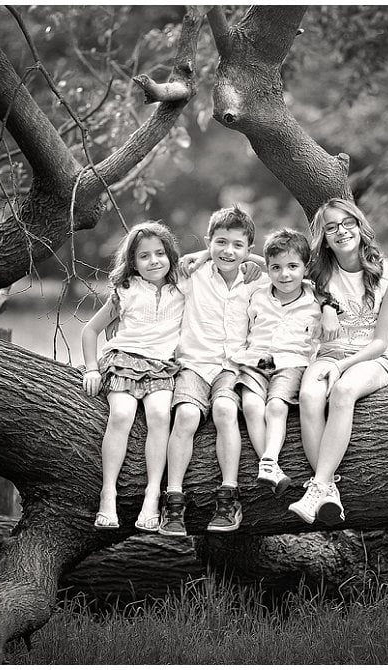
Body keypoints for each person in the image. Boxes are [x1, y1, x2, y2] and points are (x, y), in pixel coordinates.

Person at [289, 198, 388, 525]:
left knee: (342, 392)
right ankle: (328, 492)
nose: (341, 231)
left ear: (359, 225)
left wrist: (342, 366)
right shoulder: (316, 272)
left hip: (373, 358)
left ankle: (319, 485)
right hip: (329, 355)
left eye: (347, 223)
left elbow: (381, 341)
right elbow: (269, 262)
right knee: (309, 396)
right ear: (324, 237)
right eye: (331, 227)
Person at [158, 206, 268, 536]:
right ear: (209, 243)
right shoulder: (193, 274)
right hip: (194, 364)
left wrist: (258, 261)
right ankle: (173, 498)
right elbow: (164, 267)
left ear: (249, 249)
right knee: (188, 415)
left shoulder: (256, 281)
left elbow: (296, 273)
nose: (228, 251)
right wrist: (203, 255)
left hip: (232, 365)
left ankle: (228, 495)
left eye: (238, 245)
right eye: (220, 243)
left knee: (223, 410)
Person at [80, 221, 185, 532]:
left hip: (162, 364)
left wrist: (251, 262)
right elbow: (90, 331)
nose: (153, 261)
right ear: (133, 262)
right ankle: (107, 494)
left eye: (160, 253)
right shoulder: (125, 292)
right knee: (122, 414)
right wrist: (91, 368)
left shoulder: (182, 289)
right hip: (124, 361)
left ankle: (152, 496)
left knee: (159, 414)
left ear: (171, 256)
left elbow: (213, 255)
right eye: (144, 256)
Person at [231, 229, 324, 496]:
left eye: (293, 267)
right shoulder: (258, 293)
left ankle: (269, 458)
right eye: (276, 268)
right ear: (268, 269)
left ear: (305, 268)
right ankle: (270, 467)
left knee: (275, 406)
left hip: (292, 363)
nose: (285, 275)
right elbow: (245, 260)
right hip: (255, 362)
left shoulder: (315, 296)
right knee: (250, 405)